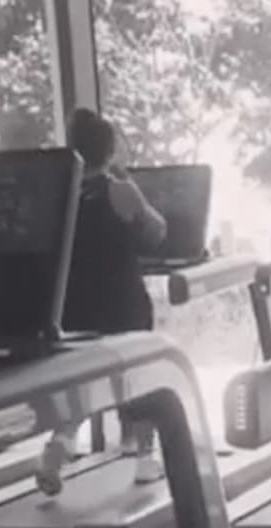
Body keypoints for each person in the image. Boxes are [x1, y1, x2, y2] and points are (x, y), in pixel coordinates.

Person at [34, 108, 168, 496]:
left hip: (76, 312)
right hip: (123, 306)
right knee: (141, 376)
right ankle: (145, 459)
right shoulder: (119, 189)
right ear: (109, 151)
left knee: (82, 385)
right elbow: (157, 231)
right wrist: (130, 186)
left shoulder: (64, 194)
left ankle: (57, 450)